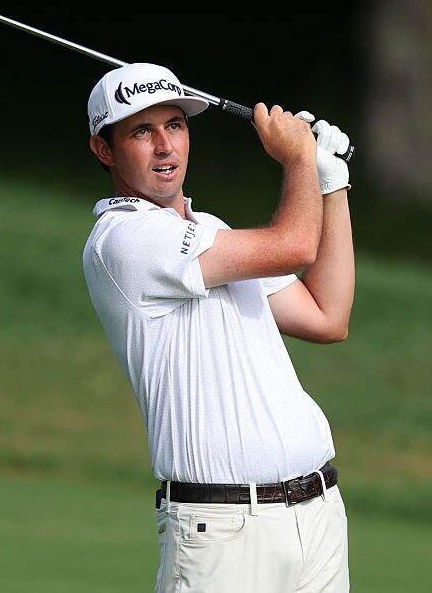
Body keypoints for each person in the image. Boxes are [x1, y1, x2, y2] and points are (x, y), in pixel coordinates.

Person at [82, 62, 355, 592]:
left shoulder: (212, 231)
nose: (165, 146)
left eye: (175, 126)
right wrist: (298, 157)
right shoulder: (123, 240)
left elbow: (328, 315)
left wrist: (331, 181)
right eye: (142, 131)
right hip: (223, 531)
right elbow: (295, 245)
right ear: (104, 149)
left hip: (318, 516)